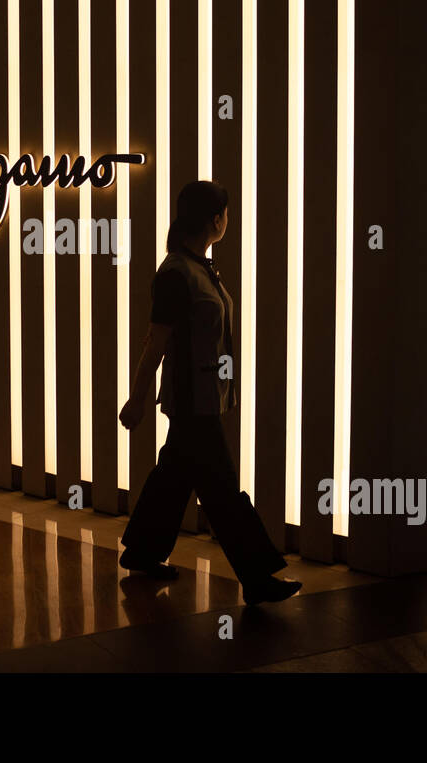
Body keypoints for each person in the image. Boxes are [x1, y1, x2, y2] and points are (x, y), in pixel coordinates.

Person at [118, 180, 301, 605]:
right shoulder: (177, 274)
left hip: (204, 398)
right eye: (226, 214)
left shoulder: (198, 268)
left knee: (174, 476)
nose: (227, 222)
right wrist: (138, 397)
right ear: (215, 220)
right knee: (222, 489)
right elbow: (156, 342)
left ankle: (142, 552)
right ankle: (257, 577)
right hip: (192, 402)